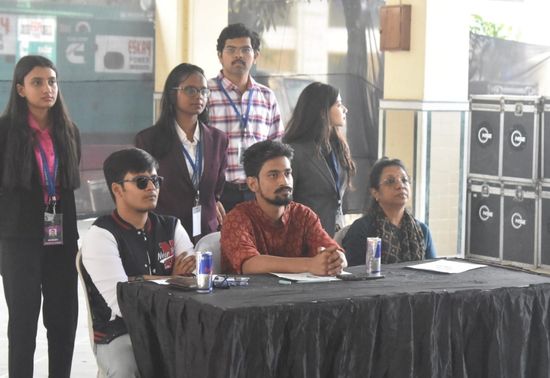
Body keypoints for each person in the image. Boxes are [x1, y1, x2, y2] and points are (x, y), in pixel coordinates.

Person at [80, 148, 195, 377]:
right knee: (126, 368)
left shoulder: (172, 227)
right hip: (120, 332)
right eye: (142, 182)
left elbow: (194, 285)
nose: (152, 188)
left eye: (155, 180)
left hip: (173, 325)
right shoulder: (101, 234)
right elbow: (122, 302)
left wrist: (138, 281)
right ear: (117, 189)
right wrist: (172, 279)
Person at [0, 55, 81, 378]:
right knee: (23, 322)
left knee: (63, 320)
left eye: (52, 81)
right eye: (37, 82)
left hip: (61, 238)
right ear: (20, 89)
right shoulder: (5, 132)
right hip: (18, 240)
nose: (47, 88)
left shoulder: (68, 130)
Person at [221, 140, 347, 275]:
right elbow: (250, 264)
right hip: (247, 295)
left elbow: (336, 253)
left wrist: (336, 259)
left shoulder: (303, 215)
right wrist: (309, 265)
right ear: (253, 184)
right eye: (273, 175)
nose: (284, 181)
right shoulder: (237, 218)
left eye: (287, 173)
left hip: (299, 295)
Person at [135, 63, 228, 241]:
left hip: (206, 232)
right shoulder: (149, 140)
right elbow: (143, 191)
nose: (199, 96)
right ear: (172, 93)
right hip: (165, 232)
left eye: (204, 91)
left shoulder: (218, 139)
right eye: (190, 90)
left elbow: (216, 189)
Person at [208, 23, 284, 212]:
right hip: (219, 192)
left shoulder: (267, 96)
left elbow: (276, 147)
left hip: (257, 191)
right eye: (231, 50)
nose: (238, 55)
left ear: (255, 56)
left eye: (245, 50)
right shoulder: (205, 93)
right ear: (220, 56)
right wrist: (209, 195)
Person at [283, 82, 356, 236]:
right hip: (305, 236)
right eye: (338, 104)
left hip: (335, 234)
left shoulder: (338, 148)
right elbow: (286, 203)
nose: (345, 109)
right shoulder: (295, 152)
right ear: (322, 111)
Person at [342, 157, 436, 266]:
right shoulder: (362, 229)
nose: (400, 186)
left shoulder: (423, 231)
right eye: (390, 181)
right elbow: (354, 273)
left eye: (404, 180)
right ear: (375, 193)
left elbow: (433, 271)